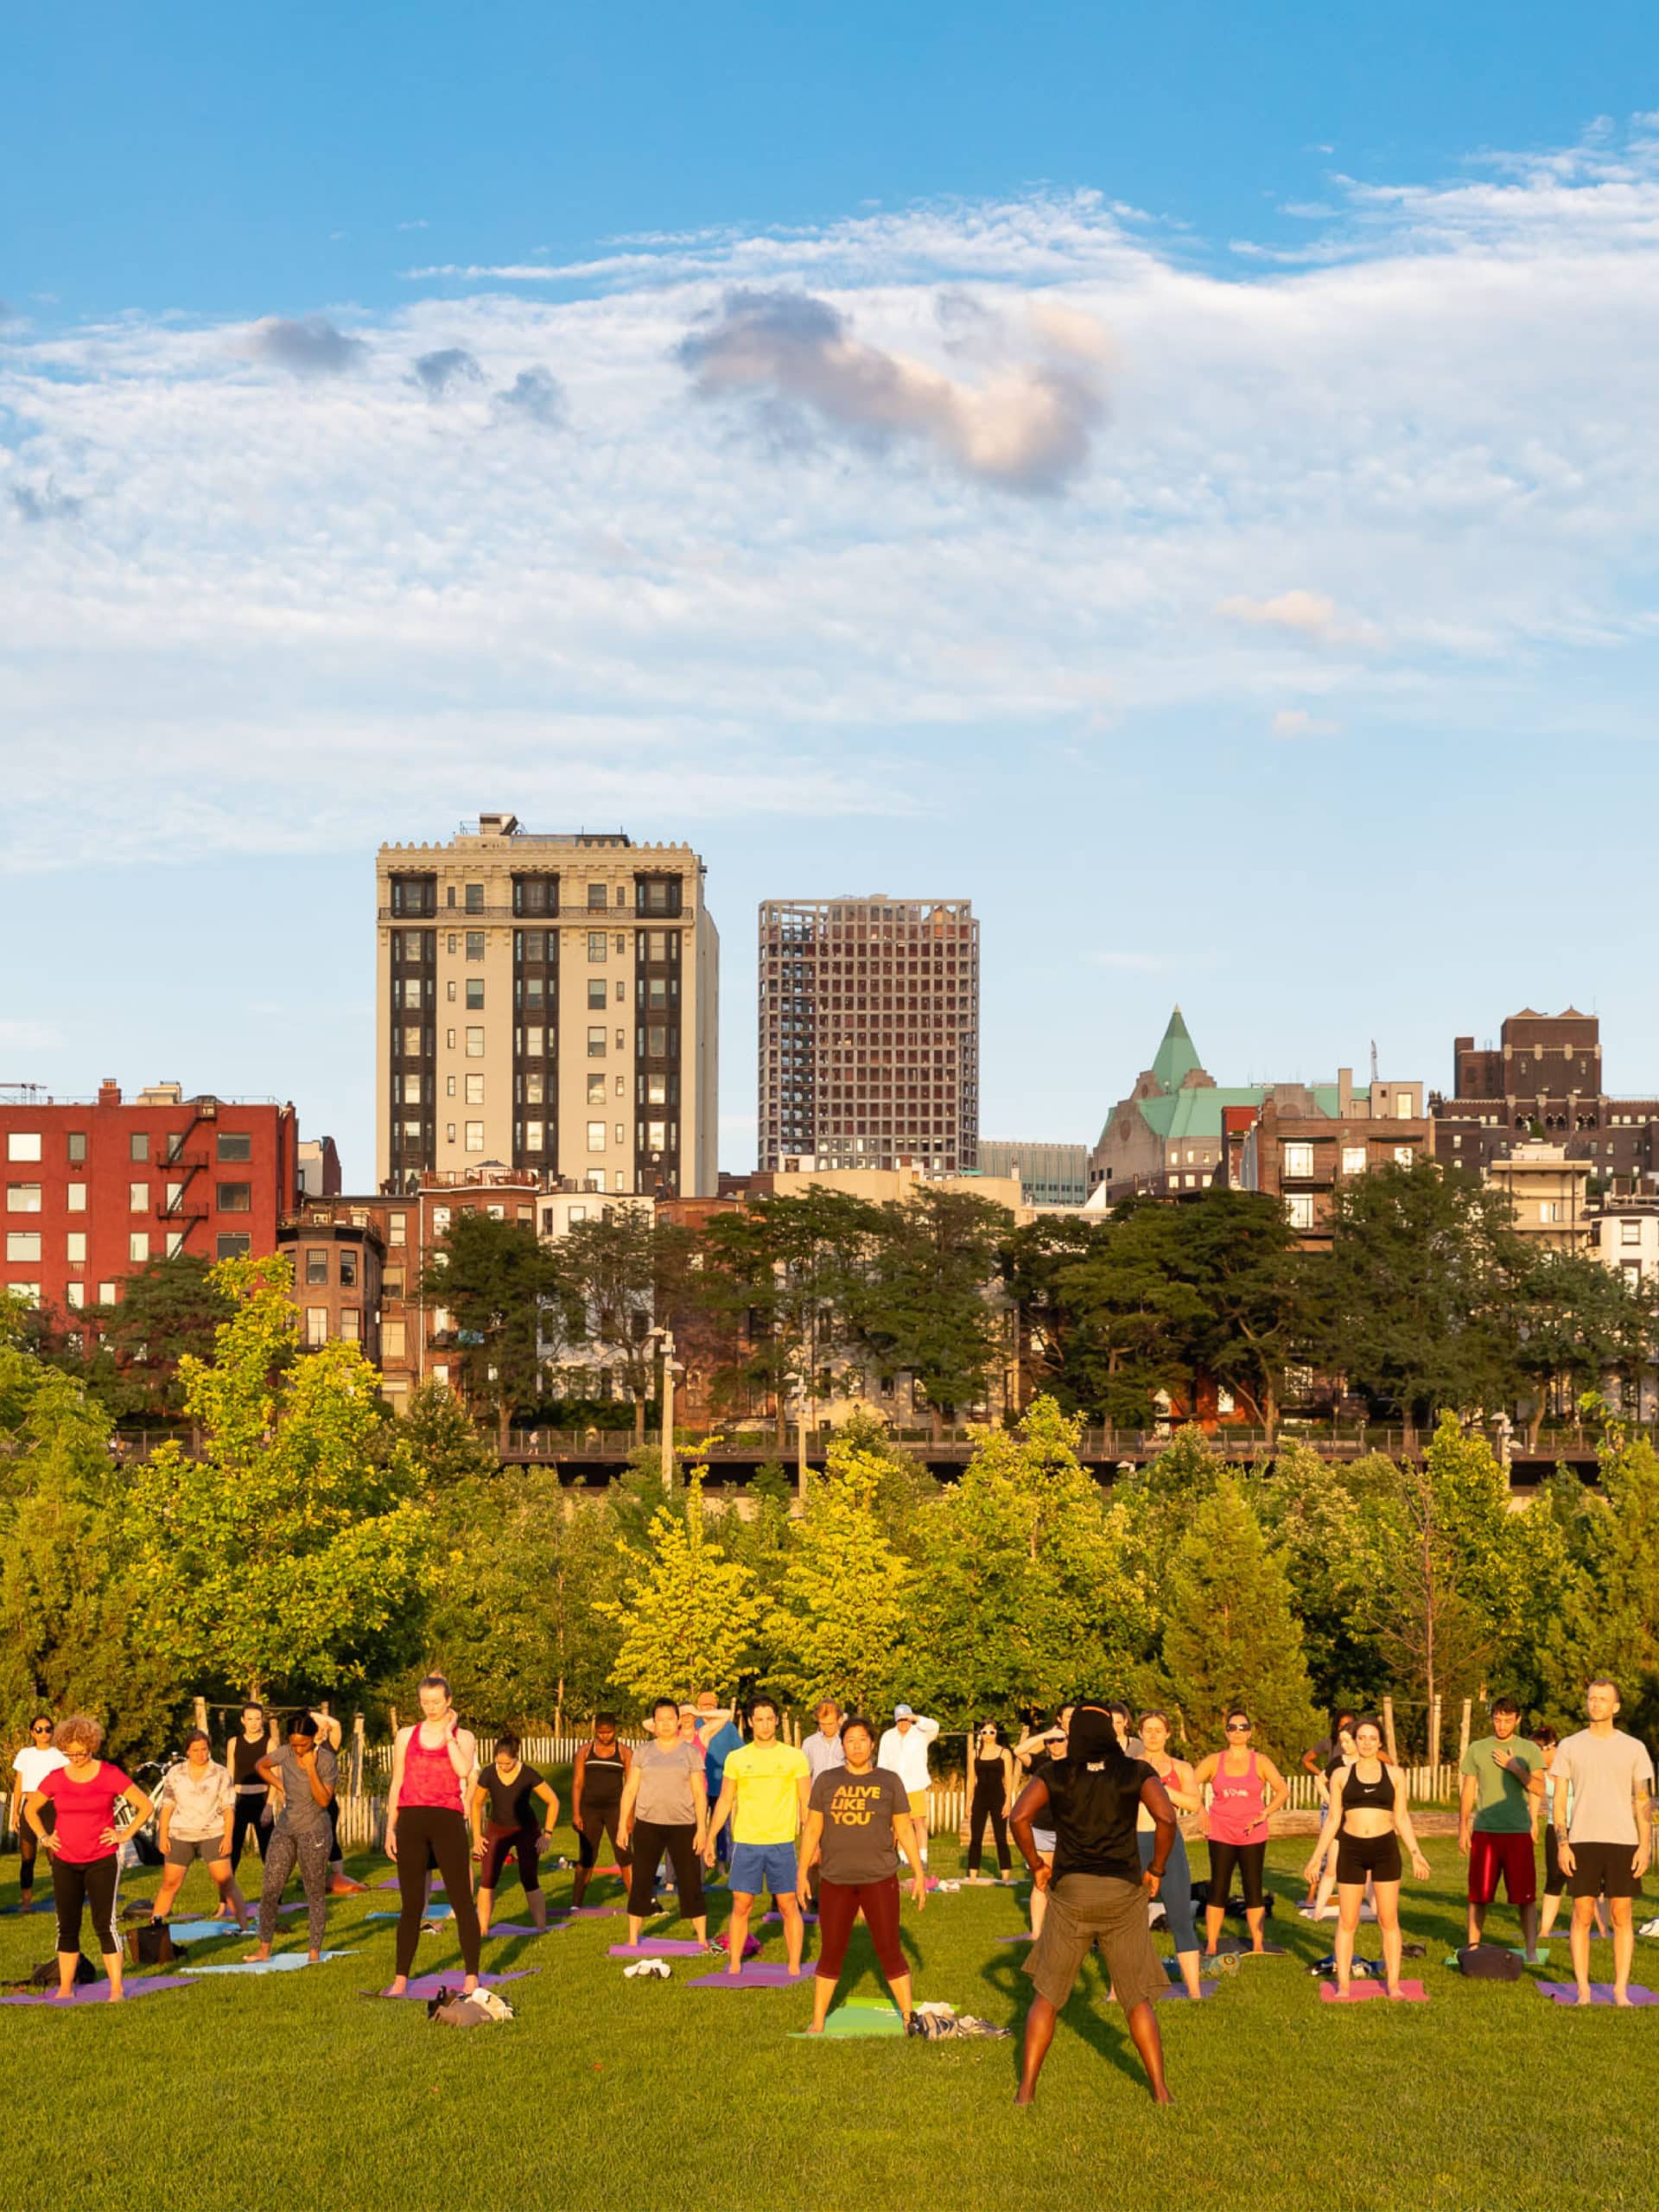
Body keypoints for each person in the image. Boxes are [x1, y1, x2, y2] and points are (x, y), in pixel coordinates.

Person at [1009, 1700, 1177, 2106]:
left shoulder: (1056, 1772)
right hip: (1123, 1895)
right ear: (1111, 1734)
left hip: (1071, 1897)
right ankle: (1160, 2091)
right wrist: (1155, 1869)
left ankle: (1026, 2091)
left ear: (1075, 1735)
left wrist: (1035, 1866)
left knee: (1046, 1997)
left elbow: (1018, 1817)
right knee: (1136, 1998)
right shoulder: (1135, 1771)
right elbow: (1167, 1819)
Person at [798, 1714, 926, 2032]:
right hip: (836, 1879)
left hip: (879, 1878)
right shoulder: (826, 1781)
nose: (856, 1746)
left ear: (872, 1744)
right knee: (831, 1949)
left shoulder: (889, 1781)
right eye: (850, 1740)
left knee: (888, 1946)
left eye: (862, 1740)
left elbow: (904, 1829)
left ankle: (909, 2017)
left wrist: (919, 1873)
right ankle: (817, 2021)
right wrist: (801, 1873)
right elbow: (813, 1828)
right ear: (843, 1745)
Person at [24, 1714, 155, 2002]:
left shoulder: (109, 1774)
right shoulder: (57, 1778)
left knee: (104, 1923)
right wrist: (45, 1838)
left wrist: (125, 1834)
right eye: (69, 1753)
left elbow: (145, 1805)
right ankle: (65, 1987)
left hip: (102, 1860)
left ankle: (117, 1988)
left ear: (91, 1745)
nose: (75, 1757)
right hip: (65, 1860)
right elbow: (30, 1810)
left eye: (80, 1752)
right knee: (67, 1924)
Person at [1302, 1715, 1432, 1998]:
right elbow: (1334, 1819)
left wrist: (1416, 1853)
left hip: (1385, 1849)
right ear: (1354, 1741)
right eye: (1362, 1738)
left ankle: (1395, 1985)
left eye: (1373, 1738)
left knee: (1389, 1920)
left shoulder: (1395, 1775)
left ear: (1381, 1742)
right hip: (1352, 1849)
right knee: (1348, 1922)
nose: (1367, 1743)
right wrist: (1316, 1858)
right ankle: (1345, 1987)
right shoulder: (1340, 1775)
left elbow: (1402, 1817)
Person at [1549, 1678, 1655, 2006]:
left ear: (1616, 1707)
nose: (1595, 1704)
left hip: (1623, 1841)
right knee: (1581, 1913)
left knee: (1622, 1915)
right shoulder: (1569, 1746)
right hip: (1582, 1839)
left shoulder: (1634, 1747)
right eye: (1591, 1698)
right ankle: (1582, 1991)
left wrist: (1645, 1845)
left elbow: (1642, 1800)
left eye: (1602, 1699)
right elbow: (1558, 1801)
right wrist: (1563, 1844)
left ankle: (1620, 1991)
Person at [384, 1674, 482, 1999]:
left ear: (449, 1701)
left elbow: (463, 1771)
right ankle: (401, 1980)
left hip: (447, 1820)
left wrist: (450, 1736)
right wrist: (390, 1827)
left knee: (462, 1901)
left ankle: (471, 1978)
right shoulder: (405, 1735)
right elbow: (397, 1781)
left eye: (437, 1702)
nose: (431, 1708)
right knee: (411, 1904)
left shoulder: (464, 1736)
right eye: (425, 1702)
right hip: (411, 1819)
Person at [706, 1694, 810, 1975]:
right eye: (759, 1720)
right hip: (747, 1842)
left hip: (782, 1843)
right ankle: (736, 1964)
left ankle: (793, 1966)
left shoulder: (794, 1757)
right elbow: (726, 1800)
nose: (765, 1725)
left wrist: (814, 1844)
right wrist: (709, 1837)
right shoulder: (737, 1758)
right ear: (750, 1722)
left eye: (770, 1719)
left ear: (776, 1721)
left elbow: (806, 1804)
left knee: (789, 1904)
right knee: (742, 1904)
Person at [242, 1713, 337, 1964]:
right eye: (294, 1743)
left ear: (313, 1738)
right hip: (285, 1828)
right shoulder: (284, 1753)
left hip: (314, 1830)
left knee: (314, 1891)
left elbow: (324, 1800)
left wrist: (310, 1770)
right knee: (270, 1888)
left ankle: (314, 1951)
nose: (297, 1749)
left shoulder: (326, 1760)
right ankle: (264, 1948)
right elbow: (260, 1765)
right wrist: (281, 1785)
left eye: (302, 1744)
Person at [1194, 1709, 1289, 1957]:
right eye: (1233, 1727)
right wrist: (1201, 1812)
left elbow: (1282, 1790)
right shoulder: (1214, 1761)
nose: (1238, 1732)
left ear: (1250, 1732)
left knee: (1253, 1887)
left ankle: (1258, 1943)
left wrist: (1265, 1813)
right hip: (1220, 1831)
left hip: (1253, 1832)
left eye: (1243, 1727)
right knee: (1219, 1887)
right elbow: (1189, 1784)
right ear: (1226, 1732)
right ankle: (1212, 1943)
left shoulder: (1261, 1761)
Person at [617, 1696, 709, 1949]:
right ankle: (633, 1939)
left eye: (671, 1719)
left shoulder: (689, 1752)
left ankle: (701, 1938)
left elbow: (699, 1793)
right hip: (648, 1825)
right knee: (641, 1881)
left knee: (690, 1881)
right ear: (654, 1724)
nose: (666, 1724)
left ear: (678, 1721)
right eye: (661, 1720)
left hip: (684, 1826)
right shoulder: (644, 1752)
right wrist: (622, 1825)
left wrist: (702, 1828)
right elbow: (630, 1789)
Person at [1459, 1694, 1543, 1959]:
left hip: (1518, 1831)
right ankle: (1473, 1946)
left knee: (1525, 1896)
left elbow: (1539, 1788)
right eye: (1497, 1719)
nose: (1502, 1725)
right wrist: (1463, 1826)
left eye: (1507, 1720)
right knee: (1478, 1894)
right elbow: (1469, 1789)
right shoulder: (1477, 1748)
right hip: (1485, 1830)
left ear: (1517, 1720)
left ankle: (1530, 1950)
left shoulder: (1529, 1750)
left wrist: (1515, 1768)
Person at [149, 1729, 248, 1930]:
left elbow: (229, 1808)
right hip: (180, 1833)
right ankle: (154, 1930)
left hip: (213, 1832)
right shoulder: (175, 1773)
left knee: (225, 1881)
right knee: (170, 1883)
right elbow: (167, 1806)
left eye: (204, 1749)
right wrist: (163, 1835)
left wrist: (228, 1838)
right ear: (187, 1751)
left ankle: (245, 1927)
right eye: (195, 1750)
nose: (200, 1754)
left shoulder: (220, 1773)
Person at [1136, 1711, 1205, 1999]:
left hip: (1168, 1843)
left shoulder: (1182, 1768)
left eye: (1158, 1730)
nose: (1152, 1735)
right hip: (1134, 1842)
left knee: (1179, 1916)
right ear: (1140, 1734)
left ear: (1167, 1734)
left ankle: (1195, 1991)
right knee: (1128, 1919)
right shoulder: (1129, 1767)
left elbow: (1193, 1802)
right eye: (1147, 1730)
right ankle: (1120, 1988)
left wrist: (1161, 1788)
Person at [471, 1731, 560, 1936]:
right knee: (488, 1878)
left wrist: (547, 1835)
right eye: (499, 1763)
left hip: (526, 1830)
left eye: (507, 1763)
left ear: (516, 1757)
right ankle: (483, 1930)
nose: (502, 1767)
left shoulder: (528, 1774)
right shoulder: (488, 1773)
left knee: (529, 1878)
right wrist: (477, 1836)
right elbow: (476, 1804)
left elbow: (553, 1801)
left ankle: (541, 1928)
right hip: (497, 1829)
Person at [1533, 1723, 1605, 1942]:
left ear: (1550, 1748)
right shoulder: (1541, 1772)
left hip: (1584, 1827)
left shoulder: (1573, 1765)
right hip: (1555, 1827)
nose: (1533, 1756)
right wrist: (1532, 1821)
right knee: (1555, 1878)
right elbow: (1535, 1794)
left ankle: (1603, 1930)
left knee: (1592, 1880)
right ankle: (1544, 1931)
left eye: (1536, 1751)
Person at [1014, 1707, 1072, 1936]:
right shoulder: (1041, 1765)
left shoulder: (1076, 1764)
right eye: (1051, 1741)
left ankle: (1063, 1929)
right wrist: (1044, 1735)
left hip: (1067, 1830)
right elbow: (1019, 1750)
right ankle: (1037, 1933)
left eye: (1060, 1740)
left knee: (1065, 1882)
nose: (1055, 1744)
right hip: (1041, 1829)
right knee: (1041, 1881)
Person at [570, 1713, 632, 1907]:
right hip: (590, 1810)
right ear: (595, 1731)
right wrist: (576, 1813)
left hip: (616, 1809)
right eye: (601, 1732)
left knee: (624, 1854)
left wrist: (629, 1817)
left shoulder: (624, 1752)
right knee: (587, 1856)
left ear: (616, 1730)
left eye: (609, 1732)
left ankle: (636, 1901)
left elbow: (631, 1785)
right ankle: (576, 1903)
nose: (605, 1736)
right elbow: (578, 1784)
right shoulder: (585, 1751)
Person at [10, 1715, 66, 1916]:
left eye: (48, 1729)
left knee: (54, 1856)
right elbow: (19, 1784)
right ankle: (26, 1903)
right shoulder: (25, 1754)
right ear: (32, 1732)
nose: (44, 1733)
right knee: (27, 1857)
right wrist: (15, 1813)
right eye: (39, 1729)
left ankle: (61, 1899)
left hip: (51, 1807)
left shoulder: (59, 1756)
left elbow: (66, 1782)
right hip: (29, 1806)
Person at [309, 1707, 367, 1897]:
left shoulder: (330, 1744)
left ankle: (338, 1877)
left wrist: (317, 1716)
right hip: (308, 1803)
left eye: (321, 1726)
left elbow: (336, 1724)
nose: (321, 1728)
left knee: (330, 1838)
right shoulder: (304, 1745)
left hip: (328, 1802)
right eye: (317, 1726)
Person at [1300, 1714, 1358, 1905]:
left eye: (1348, 1740)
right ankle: (1313, 1899)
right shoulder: (1335, 1754)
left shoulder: (1366, 1758)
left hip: (1356, 1815)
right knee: (1328, 1856)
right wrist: (1332, 1800)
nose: (1345, 1744)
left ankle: (1354, 1899)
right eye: (1342, 1740)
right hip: (1335, 1811)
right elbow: (1317, 1777)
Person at [876, 1705, 940, 1868]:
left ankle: (922, 1857)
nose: (903, 1723)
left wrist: (917, 1719)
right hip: (895, 1786)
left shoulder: (921, 1734)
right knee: (899, 1824)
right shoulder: (888, 1737)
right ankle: (904, 1858)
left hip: (916, 1784)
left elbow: (935, 1726)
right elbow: (882, 1762)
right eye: (900, 1720)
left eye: (906, 1719)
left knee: (919, 1822)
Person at [696, 1690, 743, 1879]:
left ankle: (722, 1863)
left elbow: (740, 1750)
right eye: (704, 1707)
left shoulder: (728, 1727)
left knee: (723, 1827)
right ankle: (698, 1861)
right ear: (699, 1709)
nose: (708, 1710)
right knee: (697, 1825)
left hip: (721, 1785)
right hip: (699, 1786)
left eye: (711, 1706)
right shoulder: (695, 1726)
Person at [226, 1702, 275, 1873]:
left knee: (268, 1852)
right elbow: (229, 1775)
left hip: (261, 1800)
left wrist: (269, 1807)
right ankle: (225, 1898)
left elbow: (275, 1777)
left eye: (257, 1719)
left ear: (262, 1721)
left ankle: (275, 1897)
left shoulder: (269, 1743)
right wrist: (227, 1804)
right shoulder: (234, 1742)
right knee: (232, 1851)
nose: (254, 1723)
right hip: (238, 1801)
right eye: (250, 1719)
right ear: (242, 1720)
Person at [964, 1722, 1015, 1883]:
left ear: (996, 1733)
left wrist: (1008, 1802)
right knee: (976, 1837)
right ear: (981, 1733)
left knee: (1001, 1837)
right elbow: (971, 1779)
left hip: (998, 1797)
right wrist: (968, 1802)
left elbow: (1009, 1779)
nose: (988, 1735)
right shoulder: (974, 1754)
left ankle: (1005, 1875)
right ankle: (972, 1875)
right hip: (980, 1798)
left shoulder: (1005, 1753)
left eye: (991, 1731)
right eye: (984, 1731)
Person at [803, 1699, 846, 1786]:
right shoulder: (809, 1743)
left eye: (830, 1724)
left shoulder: (848, 1741)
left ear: (840, 1720)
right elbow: (804, 1774)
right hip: (818, 1795)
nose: (825, 1728)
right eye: (822, 1724)